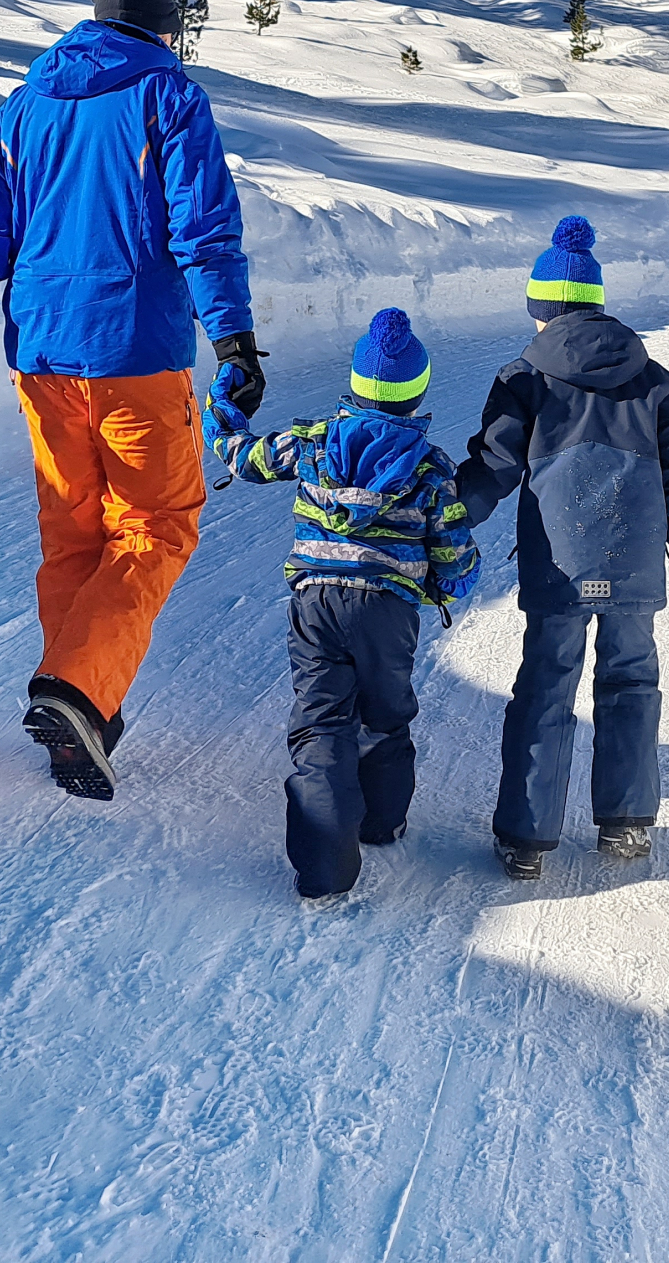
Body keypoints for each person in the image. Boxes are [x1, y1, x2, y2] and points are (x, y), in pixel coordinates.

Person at [0, 0, 264, 800]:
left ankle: (82, 703)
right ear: (165, 30)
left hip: (40, 357)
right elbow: (203, 228)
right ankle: (76, 689)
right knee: (158, 522)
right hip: (137, 353)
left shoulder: (24, 106)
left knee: (74, 529)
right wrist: (234, 341)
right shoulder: (168, 95)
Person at [455, 216, 669, 879]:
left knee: (545, 686)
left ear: (542, 309)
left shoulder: (524, 379)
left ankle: (527, 840)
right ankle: (625, 824)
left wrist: (442, 518)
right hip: (631, 565)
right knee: (629, 681)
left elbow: (492, 468)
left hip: (558, 568)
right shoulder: (656, 382)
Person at [205, 308, 478, 899]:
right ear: (418, 393)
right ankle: (381, 823)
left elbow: (238, 453)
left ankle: (323, 869)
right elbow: (453, 552)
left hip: (316, 603)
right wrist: (454, 583)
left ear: (355, 383)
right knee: (384, 715)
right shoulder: (432, 469)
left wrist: (223, 393)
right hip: (387, 611)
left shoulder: (314, 442)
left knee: (322, 721)